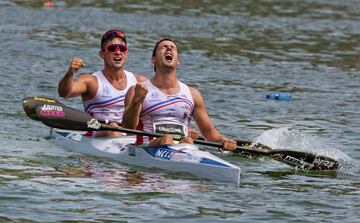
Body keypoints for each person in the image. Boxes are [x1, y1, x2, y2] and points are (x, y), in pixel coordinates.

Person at [122, 38, 236, 151]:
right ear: (154, 59)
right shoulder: (138, 90)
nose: (169, 49)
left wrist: (223, 141)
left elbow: (208, 132)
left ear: (178, 61)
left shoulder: (193, 94)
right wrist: (137, 100)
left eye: (173, 48)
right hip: (145, 149)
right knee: (166, 139)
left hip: (183, 148)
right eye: (163, 47)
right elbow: (127, 127)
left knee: (188, 141)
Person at [58, 29, 147, 137]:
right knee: (113, 128)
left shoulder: (138, 81)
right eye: (112, 48)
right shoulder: (91, 81)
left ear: (126, 54)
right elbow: (65, 92)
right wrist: (70, 73)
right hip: (99, 133)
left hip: (129, 134)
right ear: (102, 54)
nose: (118, 52)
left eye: (122, 49)